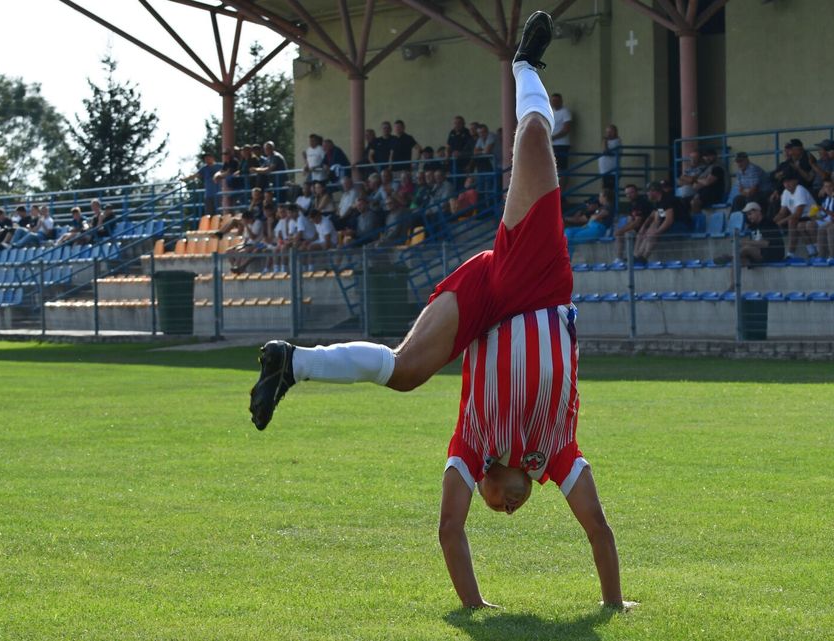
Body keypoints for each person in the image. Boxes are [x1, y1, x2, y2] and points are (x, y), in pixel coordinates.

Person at [248, 13, 632, 611]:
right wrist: (614, 604)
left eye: (491, 505)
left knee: (404, 372)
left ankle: (292, 364)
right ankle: (526, 68)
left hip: (488, 300)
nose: (504, 510)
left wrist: (475, 609)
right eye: (514, 506)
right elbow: (600, 531)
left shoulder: (473, 444)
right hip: (535, 286)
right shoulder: (554, 452)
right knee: (534, 141)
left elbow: (449, 530)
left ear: (480, 481)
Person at [633, 180, 691, 262]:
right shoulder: (659, 202)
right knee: (648, 232)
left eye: (648, 192)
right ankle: (638, 256)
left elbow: (669, 220)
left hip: (680, 225)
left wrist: (656, 232)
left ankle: (644, 258)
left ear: (654, 191)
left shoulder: (667, 200)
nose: (647, 194)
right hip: (672, 225)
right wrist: (648, 230)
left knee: (652, 234)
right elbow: (658, 219)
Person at [772, 169, 816, 258]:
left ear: (796, 181)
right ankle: (812, 251)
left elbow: (797, 214)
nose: (786, 184)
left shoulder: (800, 190)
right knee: (797, 224)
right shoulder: (785, 192)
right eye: (784, 182)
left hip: (814, 215)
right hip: (803, 218)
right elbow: (782, 213)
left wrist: (780, 222)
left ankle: (791, 253)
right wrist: (771, 223)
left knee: (792, 221)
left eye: (789, 181)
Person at [738, 202, 784, 267]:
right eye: (747, 215)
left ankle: (731, 257)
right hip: (761, 252)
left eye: (750, 214)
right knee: (740, 261)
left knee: (746, 249)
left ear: (758, 212)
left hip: (773, 253)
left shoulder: (768, 223)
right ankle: (732, 261)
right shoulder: (752, 226)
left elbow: (766, 243)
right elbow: (754, 243)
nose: (748, 217)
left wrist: (746, 242)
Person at [550, 92, 572, 170]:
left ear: (561, 101)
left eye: (557, 101)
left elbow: (566, 129)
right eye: (553, 101)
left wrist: (553, 137)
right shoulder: (550, 112)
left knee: (562, 168)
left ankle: (563, 183)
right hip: (550, 144)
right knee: (552, 168)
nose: (555, 103)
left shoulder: (565, 112)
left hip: (562, 145)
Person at [598, 125, 621, 189]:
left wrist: (605, 142)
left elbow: (606, 152)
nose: (608, 134)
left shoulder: (617, 141)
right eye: (607, 132)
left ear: (615, 132)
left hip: (612, 172)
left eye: (610, 132)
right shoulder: (607, 141)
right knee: (605, 190)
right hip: (604, 171)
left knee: (609, 191)